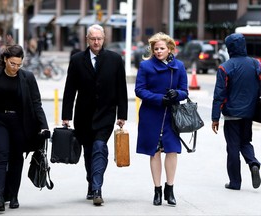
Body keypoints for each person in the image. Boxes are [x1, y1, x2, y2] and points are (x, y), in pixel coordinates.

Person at [62, 24, 128, 206]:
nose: (96, 42)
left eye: (99, 38)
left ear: (104, 38)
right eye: (93, 39)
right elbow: (70, 90)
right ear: (87, 39)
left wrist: (122, 114)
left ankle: (97, 188)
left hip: (106, 114)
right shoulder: (76, 60)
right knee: (89, 152)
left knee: (100, 147)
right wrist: (66, 115)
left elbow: (121, 89)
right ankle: (91, 182)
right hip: (83, 116)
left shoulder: (115, 59)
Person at [0, 44, 49, 211]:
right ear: (5, 60)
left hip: (19, 122)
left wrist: (43, 126)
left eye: (19, 64)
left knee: (16, 158)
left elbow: (36, 103)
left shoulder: (28, 77)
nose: (15, 67)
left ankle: (14, 195)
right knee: (0, 156)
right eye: (12, 64)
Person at [135, 32, 188, 206]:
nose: (158, 51)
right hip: (151, 114)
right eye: (155, 48)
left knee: (172, 150)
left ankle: (169, 188)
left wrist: (177, 94)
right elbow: (139, 90)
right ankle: (157, 190)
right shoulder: (145, 66)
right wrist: (159, 98)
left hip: (171, 115)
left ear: (170, 48)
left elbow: (184, 91)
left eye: (162, 48)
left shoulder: (179, 66)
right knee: (154, 150)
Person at [211, 33, 261, 190]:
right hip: (250, 112)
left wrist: (215, 118)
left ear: (229, 48)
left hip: (232, 114)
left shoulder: (225, 67)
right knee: (245, 142)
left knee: (233, 147)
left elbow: (219, 94)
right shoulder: (255, 64)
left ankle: (235, 182)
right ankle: (253, 163)